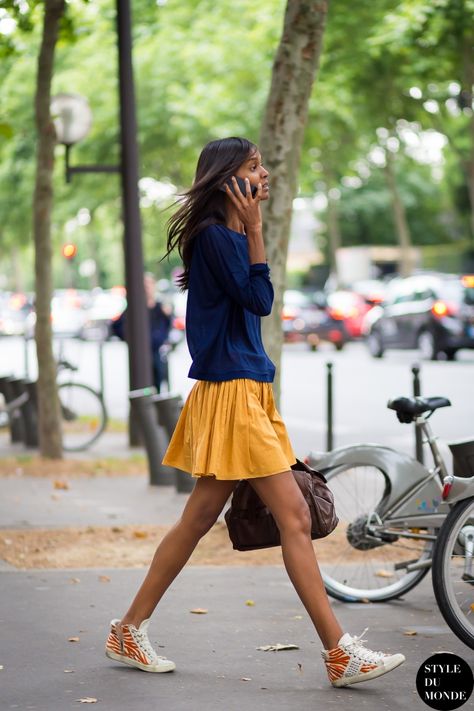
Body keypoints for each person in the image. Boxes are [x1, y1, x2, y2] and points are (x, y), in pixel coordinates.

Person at [105, 137, 405, 688]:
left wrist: (252, 229)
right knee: (293, 517)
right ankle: (338, 651)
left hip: (245, 390)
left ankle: (129, 628)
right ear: (227, 181)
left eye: (262, 165)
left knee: (198, 519)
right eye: (253, 167)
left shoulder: (227, 236)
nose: (263, 174)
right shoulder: (217, 237)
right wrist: (257, 229)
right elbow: (260, 302)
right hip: (232, 392)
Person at [111, 273, 172, 392]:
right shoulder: (134, 308)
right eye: (144, 285)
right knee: (142, 387)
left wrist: (160, 339)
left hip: (155, 353)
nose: (147, 288)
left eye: (149, 284)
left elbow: (167, 327)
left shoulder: (160, 308)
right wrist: (131, 340)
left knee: (157, 385)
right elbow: (116, 326)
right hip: (140, 354)